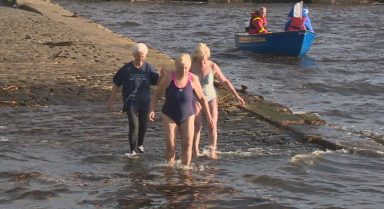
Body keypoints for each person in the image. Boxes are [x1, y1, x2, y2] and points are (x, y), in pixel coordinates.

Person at [149, 53, 213, 166]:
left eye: (186, 68)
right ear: (176, 66)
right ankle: (170, 168)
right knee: (170, 145)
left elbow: (202, 98)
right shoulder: (169, 76)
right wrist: (152, 109)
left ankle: (185, 169)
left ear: (189, 67)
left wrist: (209, 116)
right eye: (180, 68)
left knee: (187, 144)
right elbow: (156, 95)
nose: (183, 71)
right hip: (169, 115)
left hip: (188, 115)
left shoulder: (193, 78)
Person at [191, 43, 245, 159]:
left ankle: (212, 149)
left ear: (208, 57)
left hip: (210, 97)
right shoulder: (190, 66)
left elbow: (224, 81)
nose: (202, 63)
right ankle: (195, 149)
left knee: (212, 124)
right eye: (200, 60)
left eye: (204, 60)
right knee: (197, 125)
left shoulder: (212, 66)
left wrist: (236, 96)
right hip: (196, 98)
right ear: (196, 58)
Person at [107, 43, 160, 157]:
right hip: (131, 102)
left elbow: (158, 82)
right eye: (138, 56)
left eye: (143, 56)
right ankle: (132, 150)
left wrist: (164, 76)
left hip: (145, 102)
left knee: (143, 125)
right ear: (134, 55)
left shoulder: (148, 68)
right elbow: (116, 83)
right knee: (134, 125)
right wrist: (112, 99)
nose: (141, 59)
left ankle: (140, 144)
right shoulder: (126, 69)